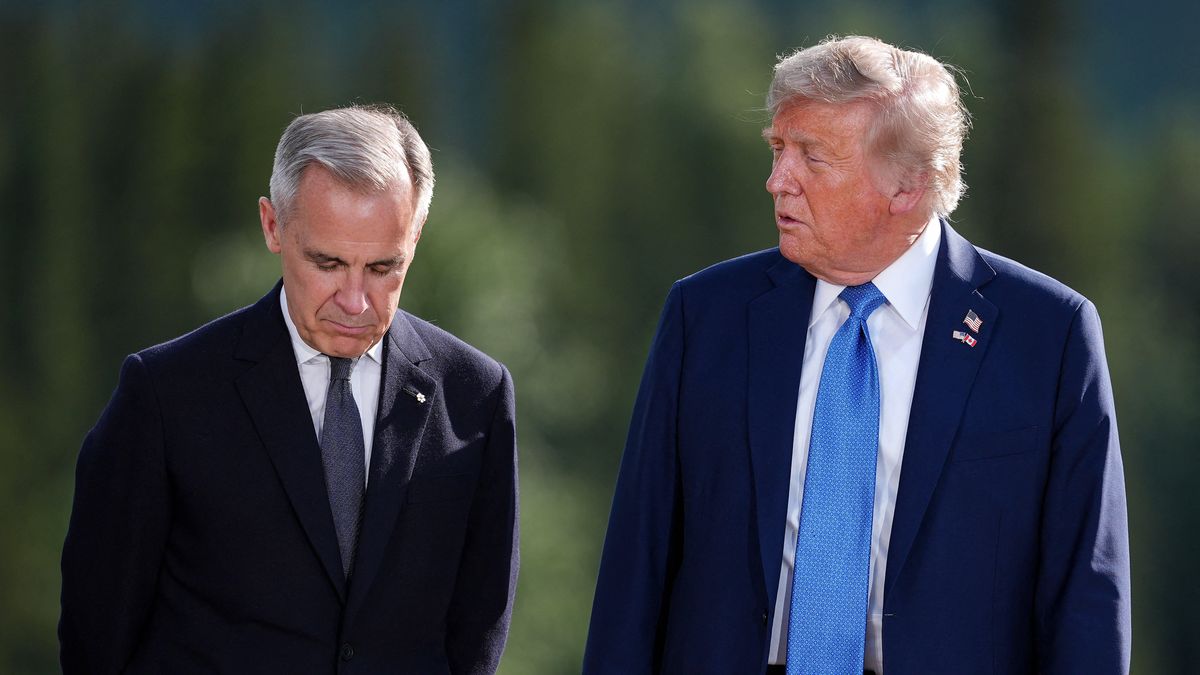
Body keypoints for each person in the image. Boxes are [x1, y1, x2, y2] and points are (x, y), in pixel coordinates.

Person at [583, 36, 1129, 675]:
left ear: (908, 186)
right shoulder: (706, 315)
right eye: (778, 149)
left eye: (812, 156)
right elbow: (636, 563)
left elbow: (1086, 588)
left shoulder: (1049, 334)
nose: (777, 180)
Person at [60, 104, 519, 674]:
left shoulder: (476, 395)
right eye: (327, 263)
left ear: (416, 235)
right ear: (273, 226)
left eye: (382, 268)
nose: (355, 301)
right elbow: (96, 637)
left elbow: (476, 634)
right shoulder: (165, 396)